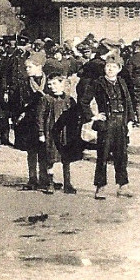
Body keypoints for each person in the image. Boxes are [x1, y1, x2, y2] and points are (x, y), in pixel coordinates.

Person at [89, 53, 134, 199]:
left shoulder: (122, 82)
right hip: (106, 124)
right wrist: (93, 116)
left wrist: (130, 121)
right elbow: (84, 101)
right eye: (108, 66)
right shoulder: (98, 83)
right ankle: (100, 187)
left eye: (114, 67)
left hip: (121, 122)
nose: (110, 69)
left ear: (119, 69)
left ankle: (123, 186)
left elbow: (128, 102)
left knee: (122, 155)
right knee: (103, 155)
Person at [15, 53, 55, 192]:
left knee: (45, 150)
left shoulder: (49, 82)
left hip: (45, 120)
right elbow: (18, 102)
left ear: (39, 66)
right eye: (26, 67)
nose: (27, 70)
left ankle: (45, 179)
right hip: (29, 121)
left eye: (29, 67)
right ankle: (32, 179)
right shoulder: (24, 83)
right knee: (31, 151)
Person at [47, 73, 83, 194]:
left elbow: (76, 116)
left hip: (66, 134)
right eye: (50, 84)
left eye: (55, 84)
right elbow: (40, 117)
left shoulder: (69, 100)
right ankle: (50, 183)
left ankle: (67, 183)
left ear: (63, 84)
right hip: (51, 134)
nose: (52, 87)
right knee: (50, 158)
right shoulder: (47, 99)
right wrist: (42, 132)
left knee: (66, 158)